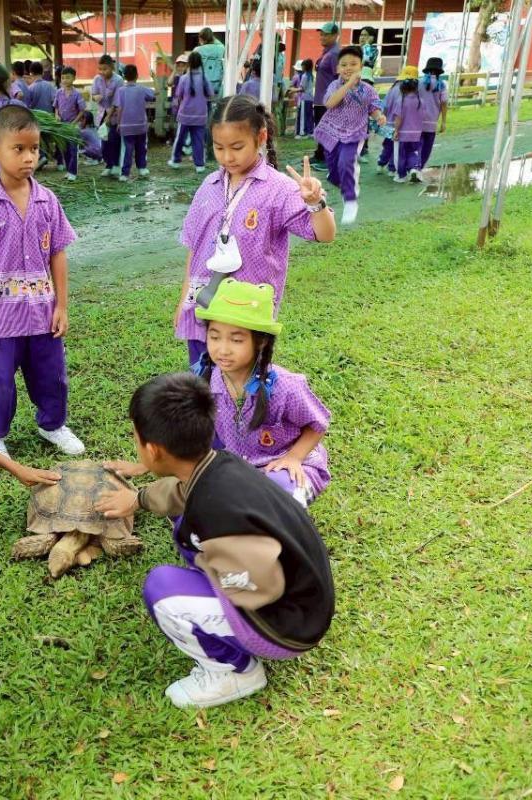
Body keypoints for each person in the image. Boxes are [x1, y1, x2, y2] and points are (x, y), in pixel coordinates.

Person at [94, 373, 334, 708]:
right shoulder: (222, 463)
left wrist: (212, 564)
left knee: (163, 591)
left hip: (286, 626)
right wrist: (138, 499)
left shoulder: (217, 513)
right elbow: (180, 491)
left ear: (153, 450)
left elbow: (258, 585)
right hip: (307, 599)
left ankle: (235, 672)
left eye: (134, 436)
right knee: (185, 526)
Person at [0, 105, 86, 458]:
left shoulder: (47, 201)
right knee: (0, 379)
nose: (29, 157)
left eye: (34, 149)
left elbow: (58, 253)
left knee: (51, 374)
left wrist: (61, 306)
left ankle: (52, 424)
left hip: (43, 312)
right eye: (19, 149)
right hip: (0, 317)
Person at [174, 96, 335, 365]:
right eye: (218, 147)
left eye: (237, 147)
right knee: (200, 381)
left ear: (260, 137)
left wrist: (315, 203)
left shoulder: (279, 189)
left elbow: (325, 234)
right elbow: (194, 247)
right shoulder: (209, 186)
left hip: (246, 315)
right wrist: (184, 301)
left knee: (243, 382)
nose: (227, 157)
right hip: (205, 309)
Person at [190, 280, 331, 505]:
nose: (223, 349)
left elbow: (318, 424)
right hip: (242, 471)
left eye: (236, 340)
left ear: (262, 341)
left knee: (277, 501)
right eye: (214, 337)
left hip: (286, 467)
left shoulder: (286, 386)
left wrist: (294, 457)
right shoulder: (207, 381)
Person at [313, 45, 386, 225]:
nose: (348, 68)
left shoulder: (368, 89)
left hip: (354, 135)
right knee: (334, 169)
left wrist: (379, 116)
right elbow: (330, 103)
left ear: (361, 67)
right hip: (332, 133)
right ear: (338, 68)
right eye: (344, 64)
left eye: (353, 64)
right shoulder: (335, 85)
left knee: (346, 163)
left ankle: (350, 199)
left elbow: (373, 107)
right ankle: (341, 180)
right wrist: (348, 85)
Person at [168, 51, 213, 172]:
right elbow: (210, 94)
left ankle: (176, 161)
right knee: (198, 140)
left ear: (189, 64)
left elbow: (178, 95)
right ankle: (199, 165)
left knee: (180, 138)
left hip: (185, 115)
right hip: (200, 115)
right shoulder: (204, 78)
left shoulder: (183, 79)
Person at [112, 64, 155, 182]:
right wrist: (154, 78)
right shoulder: (142, 89)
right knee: (141, 147)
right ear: (137, 75)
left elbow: (119, 108)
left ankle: (125, 173)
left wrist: (119, 123)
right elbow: (155, 94)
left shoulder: (121, 91)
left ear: (124, 76)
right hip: (141, 125)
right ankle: (142, 168)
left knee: (127, 150)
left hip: (126, 126)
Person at [311, 22, 341, 171]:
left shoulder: (335, 53)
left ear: (335, 35)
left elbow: (339, 78)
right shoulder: (327, 52)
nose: (322, 37)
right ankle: (319, 155)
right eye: (321, 34)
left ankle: (328, 160)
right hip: (319, 99)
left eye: (326, 35)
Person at [91, 54, 124, 176]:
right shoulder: (97, 79)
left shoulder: (118, 80)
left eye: (105, 69)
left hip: (114, 114)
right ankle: (108, 164)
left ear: (112, 67)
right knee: (104, 141)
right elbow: (93, 94)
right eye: (100, 69)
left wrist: (108, 117)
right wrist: (95, 97)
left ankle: (116, 164)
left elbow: (117, 101)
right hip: (101, 113)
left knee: (114, 140)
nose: (102, 72)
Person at [391, 68, 426, 183]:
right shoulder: (421, 101)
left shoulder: (401, 101)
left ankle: (401, 176)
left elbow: (398, 118)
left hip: (403, 134)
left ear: (403, 88)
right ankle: (413, 169)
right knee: (413, 153)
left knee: (400, 155)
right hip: (416, 134)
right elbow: (423, 117)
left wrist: (396, 131)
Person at [54, 67, 85, 181]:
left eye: (68, 77)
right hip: (62, 125)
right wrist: (56, 115)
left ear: (73, 78)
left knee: (73, 149)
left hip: (73, 126)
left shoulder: (77, 94)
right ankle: (68, 170)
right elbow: (56, 107)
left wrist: (74, 122)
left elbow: (82, 110)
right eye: (63, 78)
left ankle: (73, 172)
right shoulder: (59, 92)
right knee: (65, 149)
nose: (65, 80)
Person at [418, 57, 449, 168]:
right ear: (439, 71)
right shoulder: (442, 85)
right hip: (432, 123)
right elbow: (444, 104)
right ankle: (420, 168)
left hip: (417, 122)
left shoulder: (419, 83)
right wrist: (443, 122)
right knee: (427, 148)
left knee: (417, 145)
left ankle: (414, 167)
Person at [375, 68, 404, 175]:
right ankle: (391, 168)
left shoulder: (392, 89)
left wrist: (383, 118)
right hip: (398, 124)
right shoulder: (404, 91)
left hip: (388, 123)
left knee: (388, 145)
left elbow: (385, 106)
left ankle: (380, 163)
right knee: (396, 146)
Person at [193, 27, 226, 96]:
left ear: (201, 39)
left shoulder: (197, 50)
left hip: (201, 84)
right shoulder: (221, 48)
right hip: (216, 84)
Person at [289, 59, 315, 138]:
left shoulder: (304, 76)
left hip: (304, 98)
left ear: (305, 67)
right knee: (309, 116)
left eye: (302, 66)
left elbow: (302, 89)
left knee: (303, 116)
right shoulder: (311, 76)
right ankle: (310, 131)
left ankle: (302, 132)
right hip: (310, 98)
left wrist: (293, 90)